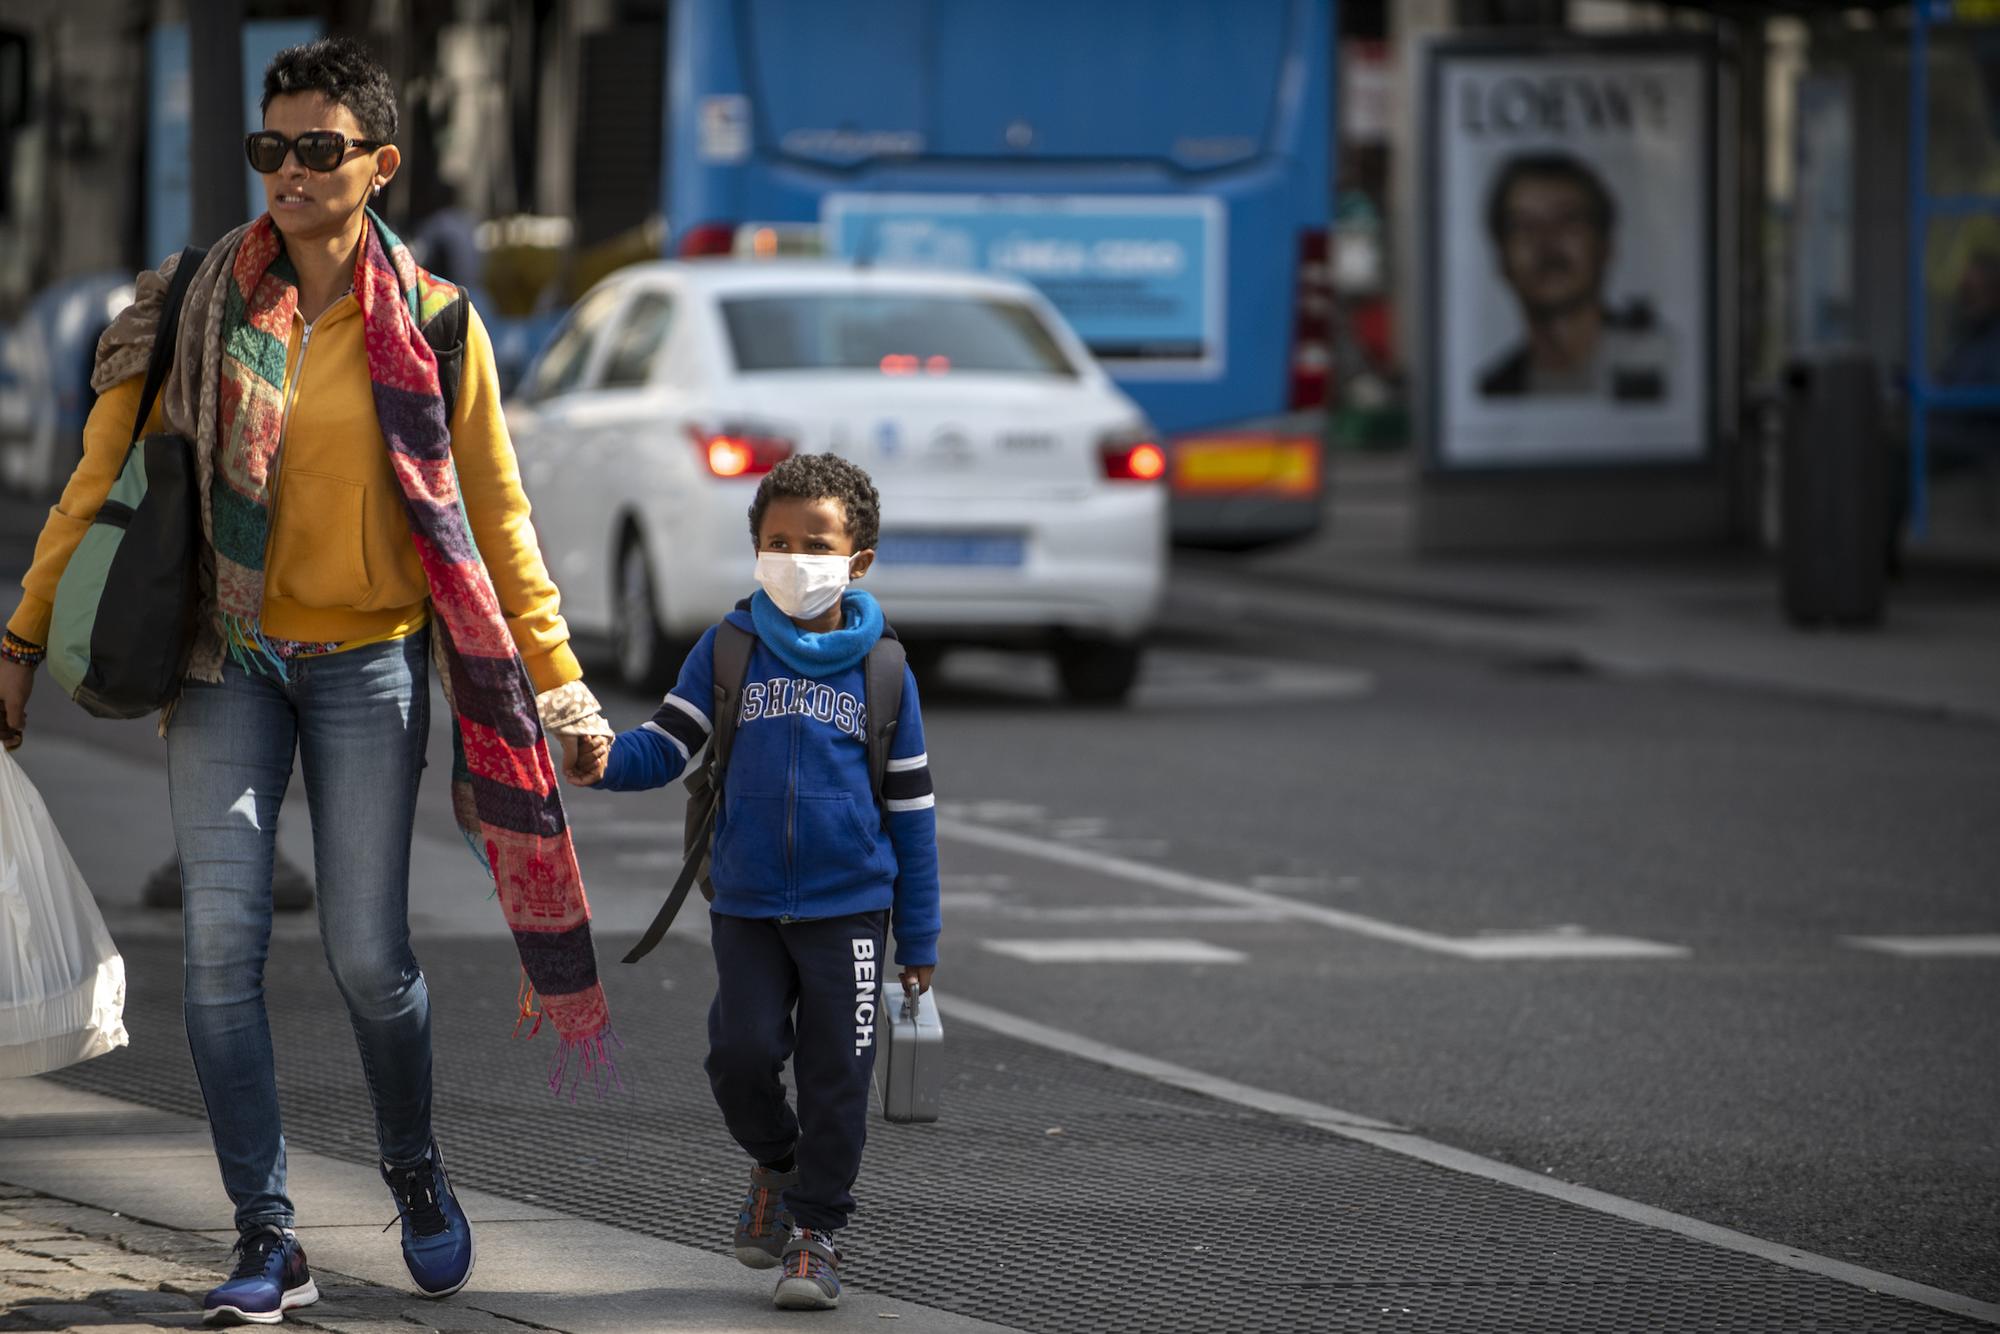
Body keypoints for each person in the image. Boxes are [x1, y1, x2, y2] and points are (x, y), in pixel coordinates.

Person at [0, 38, 614, 1327]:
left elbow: (495, 522)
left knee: (368, 955)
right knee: (220, 954)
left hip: (371, 664)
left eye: (317, 149)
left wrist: (557, 684)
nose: (287, 169)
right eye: (269, 148)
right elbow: (92, 486)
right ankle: (267, 1232)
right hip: (224, 664)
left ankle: (412, 1166)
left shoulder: (439, 322)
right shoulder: (185, 303)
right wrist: (17, 639)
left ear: (379, 165)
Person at [572, 453, 941, 1312]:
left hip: (852, 913)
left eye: (814, 542)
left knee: (838, 1076)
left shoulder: (884, 671)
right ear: (755, 550)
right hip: (743, 904)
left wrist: (917, 940)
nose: (793, 556)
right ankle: (777, 1163)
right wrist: (602, 760)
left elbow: (914, 815)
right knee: (738, 1056)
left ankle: (814, 1234)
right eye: (776, 541)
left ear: (859, 561)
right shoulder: (728, 648)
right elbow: (667, 743)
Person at [1477, 151, 1671, 402]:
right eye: (1524, 226)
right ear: (1501, 257)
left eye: (1568, 221)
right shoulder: (1491, 392)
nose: (1547, 243)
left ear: (1605, 246)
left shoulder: (1661, 371)